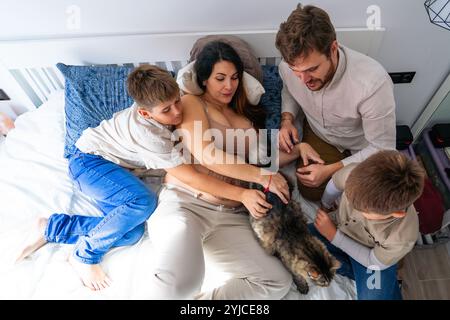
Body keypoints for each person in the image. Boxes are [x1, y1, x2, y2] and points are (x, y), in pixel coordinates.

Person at [15, 65, 286, 291]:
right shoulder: (149, 133)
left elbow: (255, 149)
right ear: (146, 112)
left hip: (123, 169)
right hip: (90, 161)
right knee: (141, 203)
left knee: (131, 232)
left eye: (177, 102)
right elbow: (194, 171)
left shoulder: (189, 104)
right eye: (166, 110)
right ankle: (85, 254)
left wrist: (288, 152)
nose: (177, 113)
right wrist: (246, 190)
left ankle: (52, 227)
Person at [145, 41, 323, 300]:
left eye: (234, 78)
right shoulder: (192, 103)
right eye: (220, 78)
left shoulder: (245, 120)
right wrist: (262, 178)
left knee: (277, 282)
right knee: (180, 284)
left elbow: (265, 159)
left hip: (230, 215)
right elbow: (208, 155)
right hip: (186, 205)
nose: (229, 86)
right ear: (204, 79)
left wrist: (300, 149)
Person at [276, 4, 396, 201]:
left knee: (371, 198)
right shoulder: (287, 68)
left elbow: (382, 147)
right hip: (320, 134)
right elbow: (289, 89)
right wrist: (287, 119)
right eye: (296, 71)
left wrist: (330, 170)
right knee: (310, 191)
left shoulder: (374, 84)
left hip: (362, 144)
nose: (304, 80)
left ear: (333, 49)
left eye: (312, 69)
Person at [310, 150, 425, 300]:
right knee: (297, 239)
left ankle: (384, 276)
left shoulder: (401, 237)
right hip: (339, 225)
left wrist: (334, 236)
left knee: (375, 296)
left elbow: (372, 261)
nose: (352, 206)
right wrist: (325, 205)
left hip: (371, 256)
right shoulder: (356, 173)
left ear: (396, 213)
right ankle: (353, 271)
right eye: (350, 197)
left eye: (363, 210)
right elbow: (335, 184)